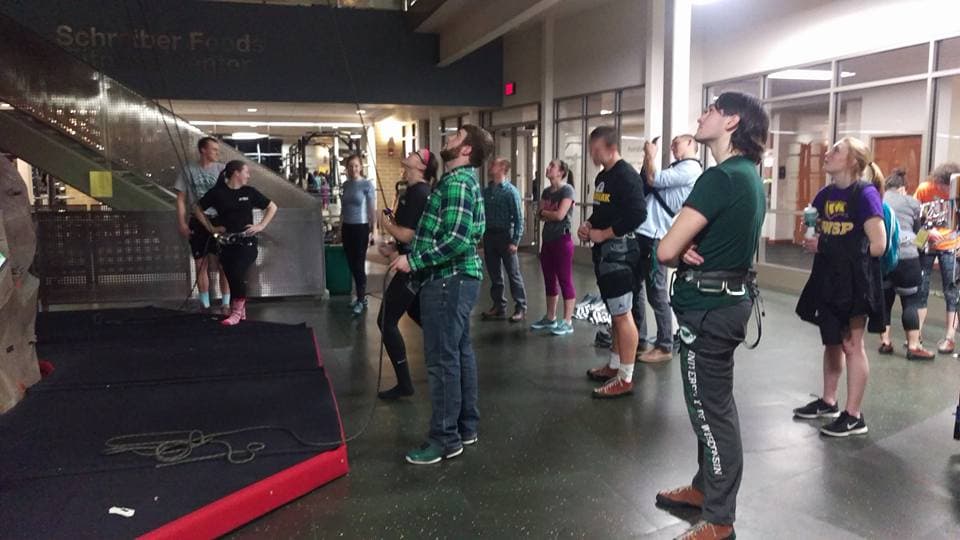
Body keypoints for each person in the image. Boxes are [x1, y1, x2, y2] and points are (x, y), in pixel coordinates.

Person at [654, 92, 768, 540]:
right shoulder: (746, 176)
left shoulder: (720, 178)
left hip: (710, 311)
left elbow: (665, 249)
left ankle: (719, 518)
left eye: (711, 110)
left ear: (732, 121)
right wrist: (689, 249)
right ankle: (704, 489)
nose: (701, 117)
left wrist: (681, 249)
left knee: (710, 410)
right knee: (710, 404)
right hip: (724, 303)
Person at [389, 125, 492, 465]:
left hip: (449, 282)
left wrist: (414, 259)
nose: (448, 138)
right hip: (452, 280)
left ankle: (445, 439)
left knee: (442, 360)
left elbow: (459, 241)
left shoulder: (460, 184)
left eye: (456, 136)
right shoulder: (453, 182)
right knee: (458, 354)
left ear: (466, 150)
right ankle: (464, 427)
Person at [794, 137, 887, 438]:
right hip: (829, 279)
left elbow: (877, 245)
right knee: (832, 341)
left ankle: (854, 415)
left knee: (851, 345)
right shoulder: (825, 195)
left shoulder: (865, 194)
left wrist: (829, 244)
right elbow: (821, 235)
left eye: (836, 150)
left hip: (855, 282)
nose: (828, 153)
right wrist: (813, 239)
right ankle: (829, 401)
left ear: (851, 161)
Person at [579, 126, 647, 398]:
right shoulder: (602, 177)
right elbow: (603, 210)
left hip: (620, 253)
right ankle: (615, 365)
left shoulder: (627, 176)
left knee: (622, 315)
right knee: (616, 314)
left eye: (594, 149)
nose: (592, 154)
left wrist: (604, 233)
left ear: (607, 146)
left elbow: (637, 214)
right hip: (605, 253)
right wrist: (588, 225)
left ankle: (626, 378)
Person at [376, 149, 438, 400]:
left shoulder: (421, 193)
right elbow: (406, 235)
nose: (409, 153)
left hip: (415, 267)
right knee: (417, 313)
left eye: (416, 154)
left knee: (386, 321)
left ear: (422, 166)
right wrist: (393, 246)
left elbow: (409, 234)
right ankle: (448, 349)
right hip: (408, 260)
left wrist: (386, 225)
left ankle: (404, 383)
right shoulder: (409, 192)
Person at [635, 134, 702, 363]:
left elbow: (653, 178)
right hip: (644, 232)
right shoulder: (679, 167)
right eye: (671, 144)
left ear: (691, 144)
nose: (673, 147)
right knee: (638, 289)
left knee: (656, 292)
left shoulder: (691, 168)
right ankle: (640, 338)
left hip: (655, 235)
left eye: (677, 143)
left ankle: (664, 345)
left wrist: (649, 156)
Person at [193, 160, 278, 326]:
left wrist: (261, 225)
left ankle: (236, 312)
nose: (248, 175)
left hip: (247, 243)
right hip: (226, 243)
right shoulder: (218, 193)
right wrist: (210, 227)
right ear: (236, 173)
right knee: (232, 276)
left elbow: (272, 207)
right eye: (246, 172)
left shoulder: (249, 192)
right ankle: (241, 311)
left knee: (238, 273)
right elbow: (197, 208)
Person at [879, 169, 934, 359]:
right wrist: (919, 253)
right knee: (910, 302)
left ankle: (885, 343)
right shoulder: (912, 203)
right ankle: (913, 347)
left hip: (884, 258)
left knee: (885, 302)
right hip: (907, 259)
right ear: (902, 188)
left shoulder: (879, 200)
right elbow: (922, 234)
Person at [174, 137, 230, 311]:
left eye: (217, 149)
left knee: (224, 264)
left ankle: (226, 302)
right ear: (203, 150)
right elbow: (181, 199)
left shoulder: (222, 170)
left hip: (219, 219)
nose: (216, 153)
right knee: (200, 263)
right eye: (213, 149)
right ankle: (205, 303)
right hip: (197, 220)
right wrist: (182, 222)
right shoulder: (188, 170)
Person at [914, 162, 960, 353]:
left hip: (951, 244)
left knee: (952, 290)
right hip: (926, 242)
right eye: (943, 185)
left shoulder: (958, 191)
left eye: (949, 186)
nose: (945, 190)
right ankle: (916, 335)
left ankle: (950, 337)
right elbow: (915, 217)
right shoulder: (925, 189)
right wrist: (926, 233)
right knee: (920, 288)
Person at [530, 159, 576, 336]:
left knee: (565, 279)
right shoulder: (546, 191)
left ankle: (567, 321)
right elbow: (539, 214)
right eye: (548, 165)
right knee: (549, 279)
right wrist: (547, 214)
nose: (548, 168)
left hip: (562, 241)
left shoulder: (567, 190)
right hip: (547, 240)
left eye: (552, 166)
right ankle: (550, 318)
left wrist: (545, 213)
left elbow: (559, 215)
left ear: (561, 172)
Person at [480, 157, 528, 322]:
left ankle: (520, 307)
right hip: (490, 236)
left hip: (505, 236)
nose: (490, 166)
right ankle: (499, 305)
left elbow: (519, 218)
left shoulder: (510, 191)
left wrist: (515, 241)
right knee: (494, 274)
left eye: (493, 164)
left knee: (513, 273)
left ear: (502, 168)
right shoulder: (486, 192)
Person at [340, 154, 376, 315]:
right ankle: (360, 297)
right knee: (351, 264)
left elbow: (371, 210)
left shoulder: (367, 185)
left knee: (359, 264)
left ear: (361, 167)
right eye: (350, 166)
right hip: (347, 228)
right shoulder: (346, 185)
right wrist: (339, 228)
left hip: (361, 228)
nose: (353, 169)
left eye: (356, 166)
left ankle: (361, 299)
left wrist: (373, 231)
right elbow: (343, 209)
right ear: (347, 168)